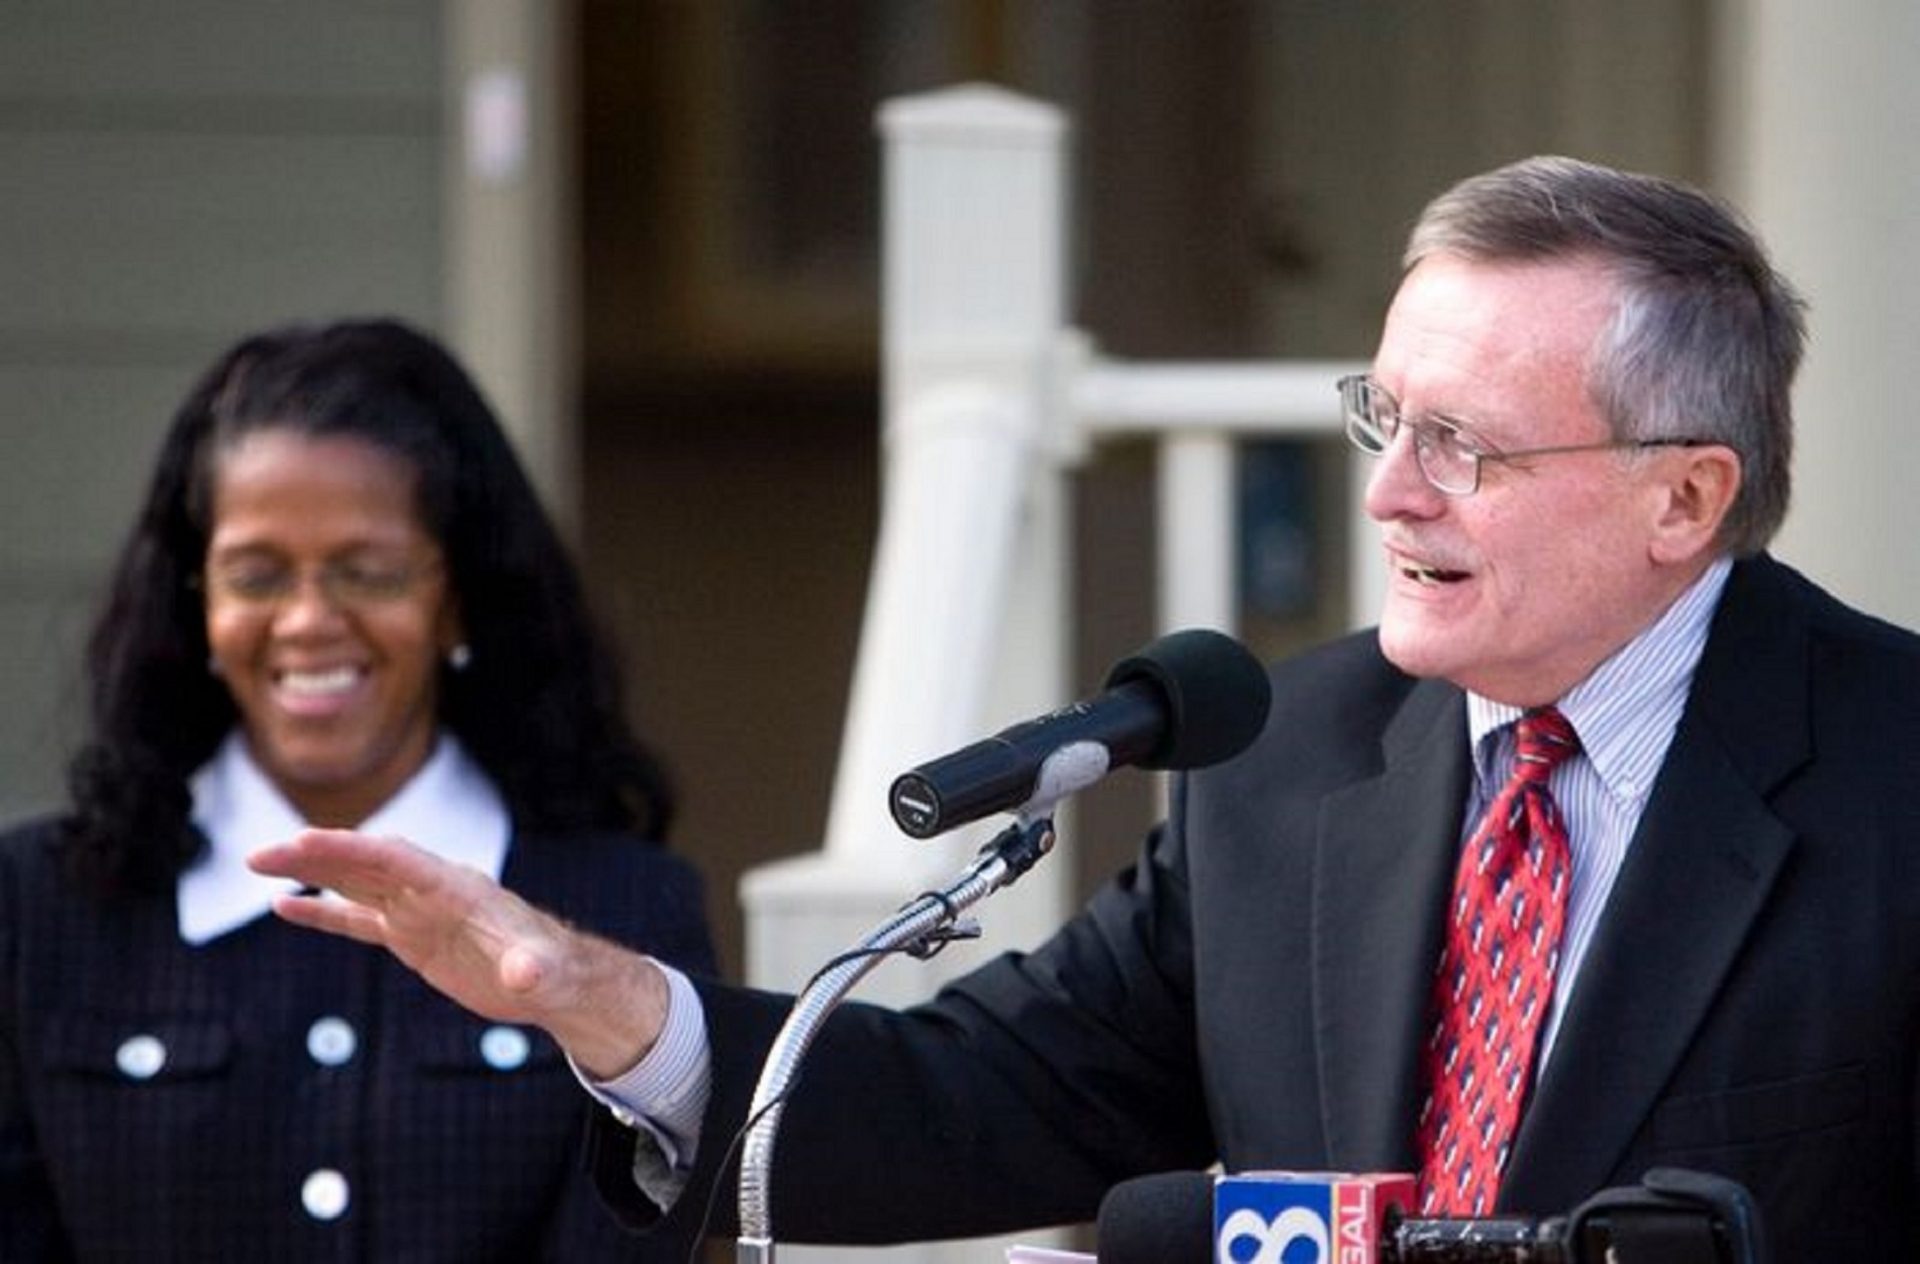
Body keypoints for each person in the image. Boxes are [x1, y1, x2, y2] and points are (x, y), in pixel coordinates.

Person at [249, 159, 1920, 1260]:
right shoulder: (1293, 761)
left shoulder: (1891, 767)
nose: (1391, 495)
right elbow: (975, 1105)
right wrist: (597, 997)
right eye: (1383, 419)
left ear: (1684, 498)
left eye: (1466, 446)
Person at [0, 318, 718, 1262]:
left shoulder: (624, 909)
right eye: (255, 576)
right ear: (198, 604)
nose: (307, 622)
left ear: (456, 598)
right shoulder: (40, 905)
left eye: (368, 572)